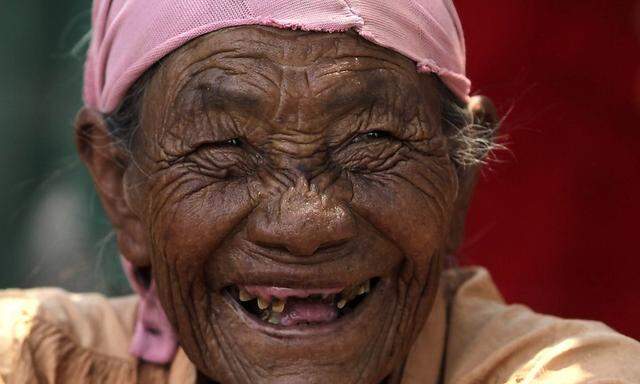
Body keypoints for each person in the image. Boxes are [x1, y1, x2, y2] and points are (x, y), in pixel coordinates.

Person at [1, 1, 639, 383]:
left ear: (458, 175)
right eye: (223, 150)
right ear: (119, 186)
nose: (307, 222)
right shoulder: (34, 361)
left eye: (372, 142)